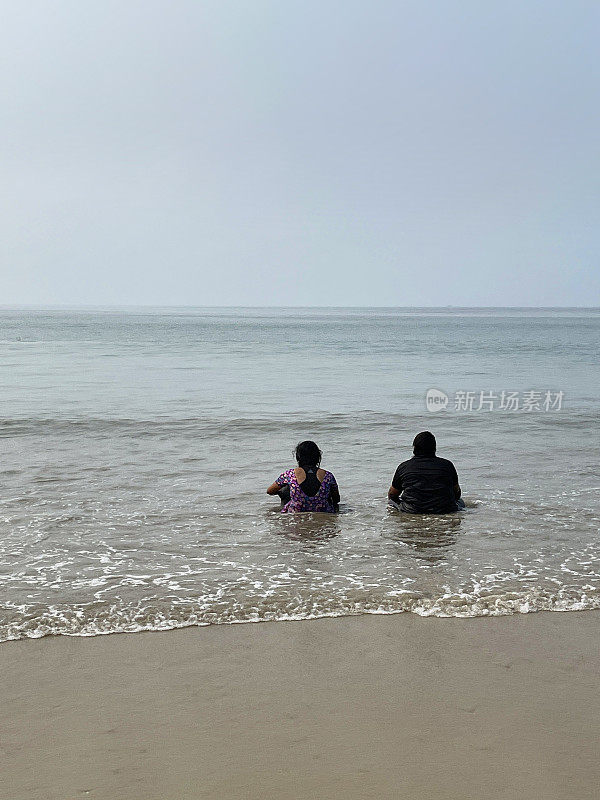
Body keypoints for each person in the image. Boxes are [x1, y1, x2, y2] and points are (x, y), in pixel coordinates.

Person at [387, 431, 464, 513]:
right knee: (461, 501)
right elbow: (457, 493)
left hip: (413, 510)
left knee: (391, 502)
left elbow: (392, 494)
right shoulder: (447, 465)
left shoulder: (404, 467)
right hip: (444, 510)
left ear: (414, 448)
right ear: (434, 448)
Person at [267, 441, 340, 513]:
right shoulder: (328, 476)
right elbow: (336, 499)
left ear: (298, 457)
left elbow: (270, 491)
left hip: (296, 514)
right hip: (323, 512)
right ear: (318, 457)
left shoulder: (290, 474)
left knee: (286, 489)